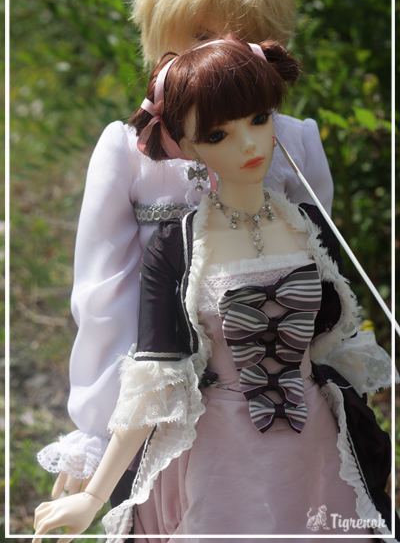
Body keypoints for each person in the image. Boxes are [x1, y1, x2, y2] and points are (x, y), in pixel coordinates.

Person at [33, 37, 396, 542]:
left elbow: (336, 347)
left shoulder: (310, 225)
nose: (248, 145)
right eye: (219, 134)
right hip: (222, 453)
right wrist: (94, 495)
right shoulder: (178, 246)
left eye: (259, 119)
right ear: (187, 146)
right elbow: (158, 377)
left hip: (316, 448)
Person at [37, 0, 335, 504]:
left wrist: (326, 377)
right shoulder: (129, 151)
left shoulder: (293, 142)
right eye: (201, 35)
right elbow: (103, 291)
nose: (223, 50)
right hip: (154, 389)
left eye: (245, 35)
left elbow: (321, 274)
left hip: (264, 393)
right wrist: (99, 424)